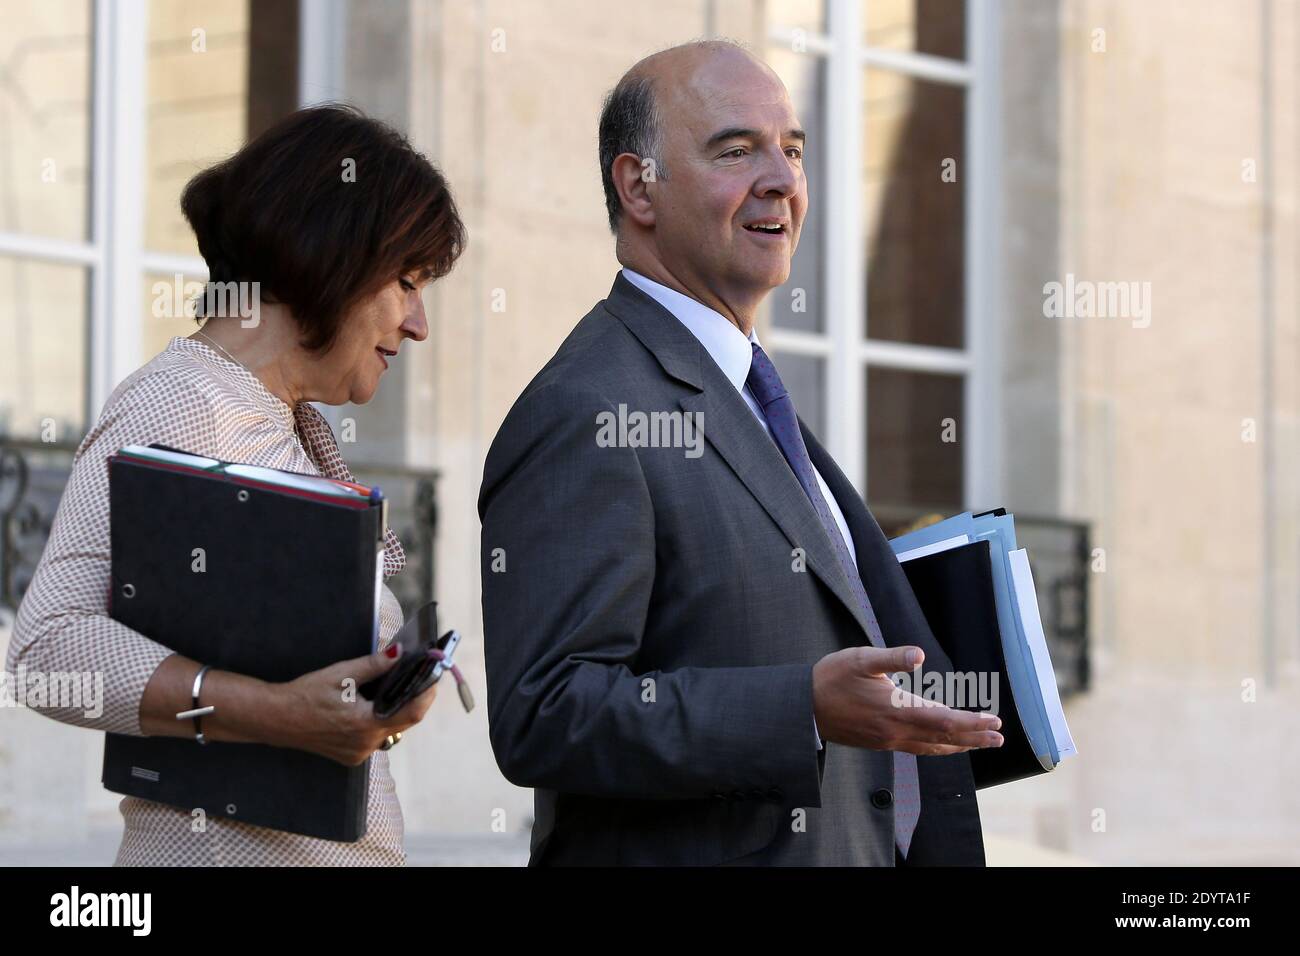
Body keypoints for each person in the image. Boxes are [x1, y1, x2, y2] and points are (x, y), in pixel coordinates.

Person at [479, 40, 1002, 866]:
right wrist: (801, 709)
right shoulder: (587, 405)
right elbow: (544, 714)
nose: (783, 180)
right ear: (636, 186)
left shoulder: (747, 388)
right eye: (736, 150)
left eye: (791, 150)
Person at [8, 104, 465, 866]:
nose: (418, 324)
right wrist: (282, 714)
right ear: (331, 257)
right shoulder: (181, 400)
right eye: (407, 281)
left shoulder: (279, 420)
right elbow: (48, 651)